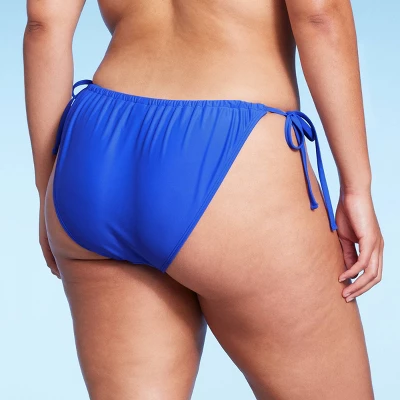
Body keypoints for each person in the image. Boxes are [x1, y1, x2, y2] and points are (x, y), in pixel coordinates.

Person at [23, 0, 383, 398]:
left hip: (97, 152)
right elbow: (320, 14)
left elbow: (43, 25)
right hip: (233, 152)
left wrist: (46, 190)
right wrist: (357, 187)